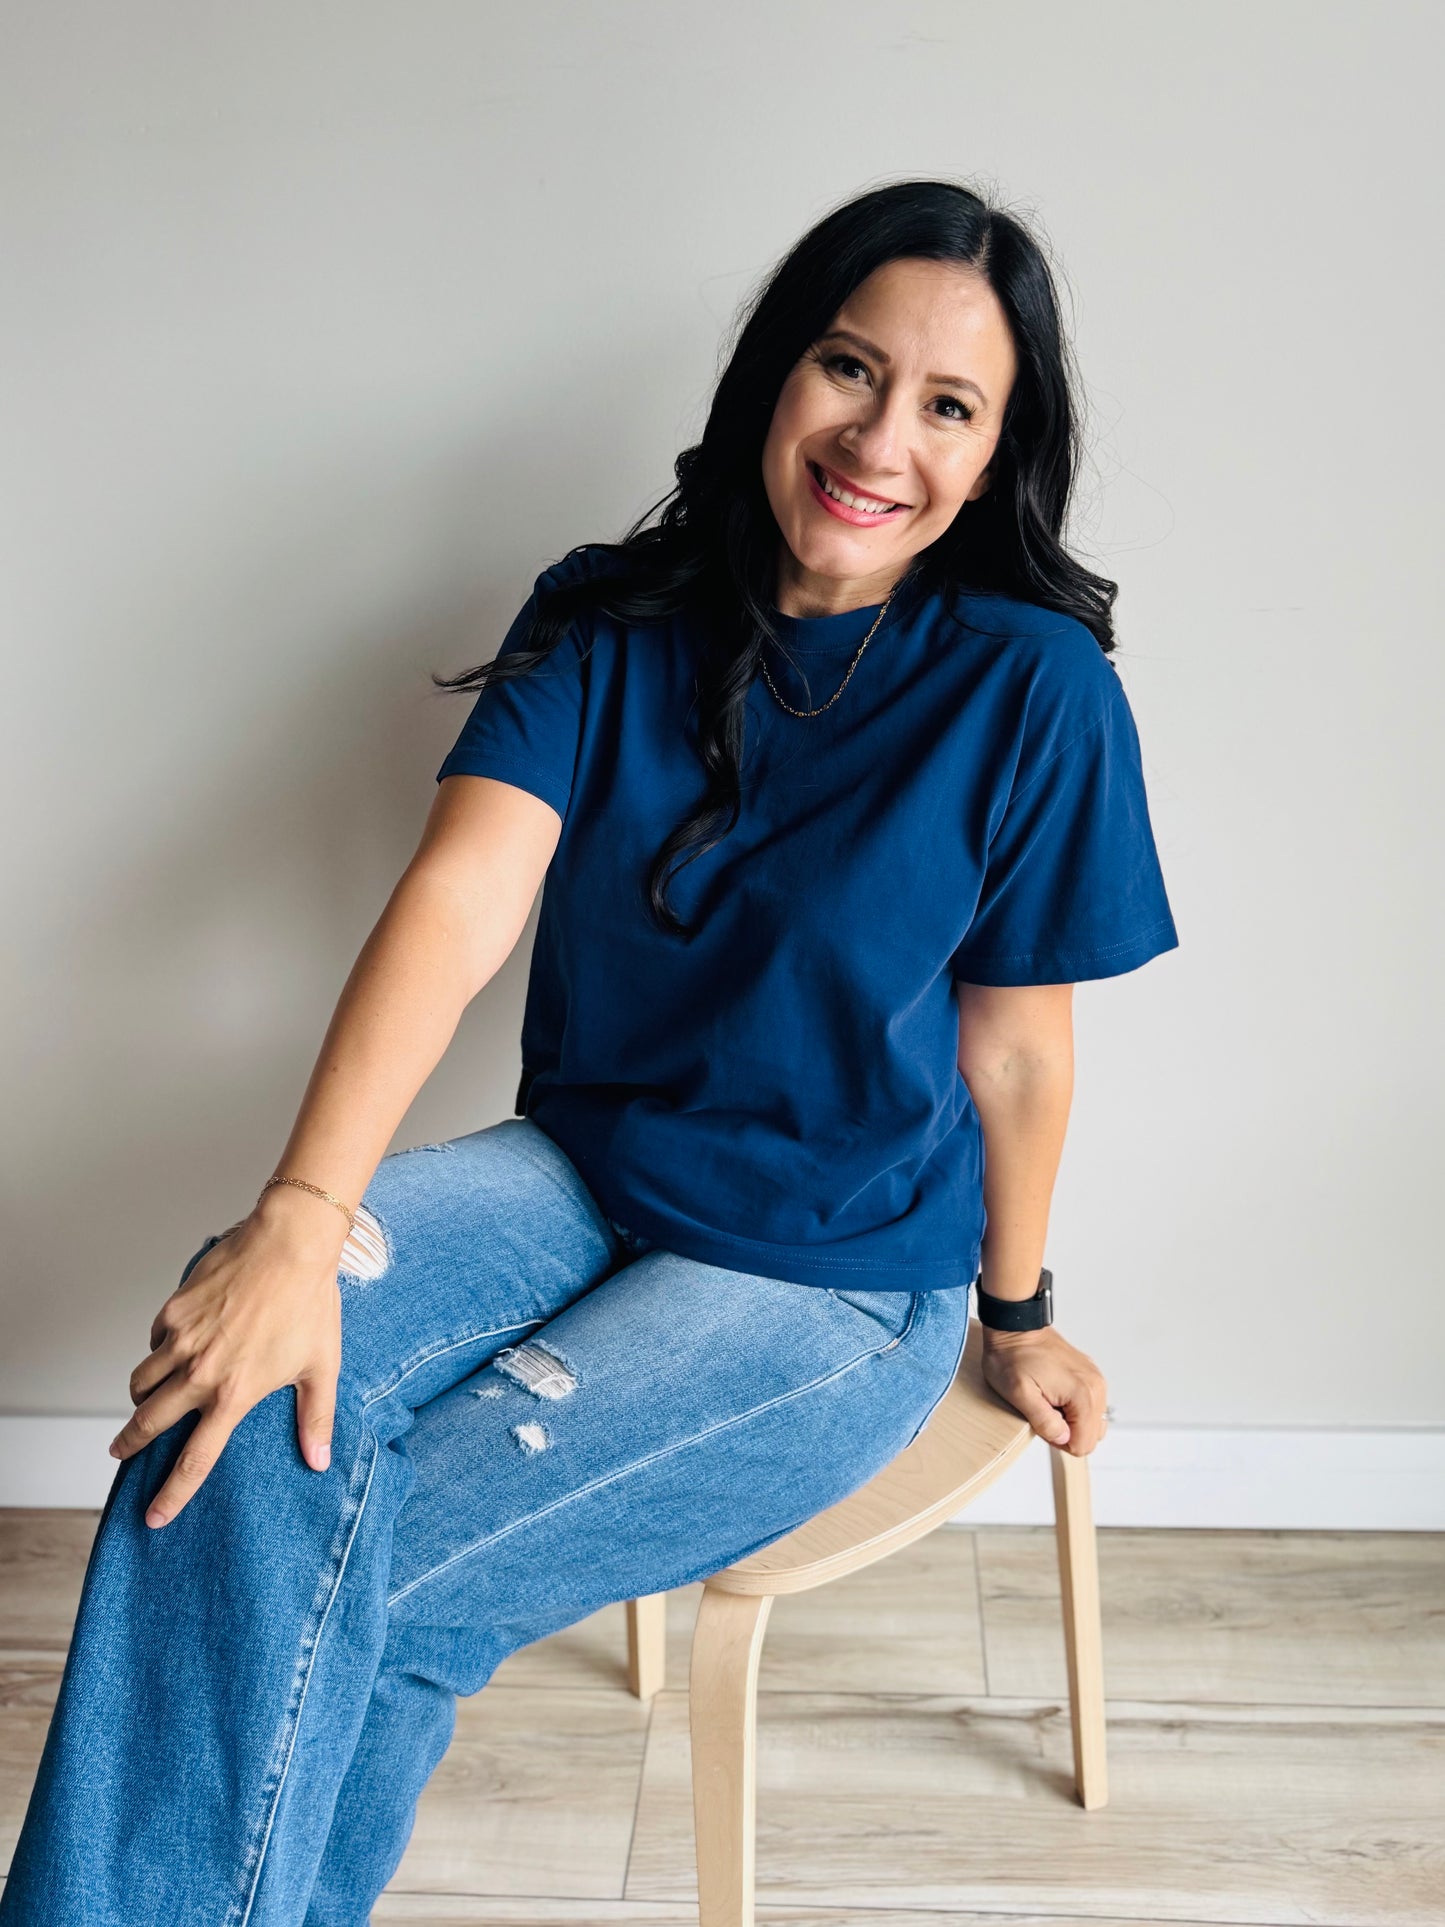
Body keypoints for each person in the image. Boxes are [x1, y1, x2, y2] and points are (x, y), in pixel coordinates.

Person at [1, 177, 1178, 1924]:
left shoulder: (1033, 689)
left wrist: (1013, 1315)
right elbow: (461, 896)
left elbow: (1015, 1053)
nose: (879, 441)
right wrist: (299, 1218)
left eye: (948, 406)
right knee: (235, 1368)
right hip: (583, 1181)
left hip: (828, 1279)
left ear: (995, 453)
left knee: (364, 1572)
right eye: (850, 368)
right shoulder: (607, 613)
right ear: (776, 372)